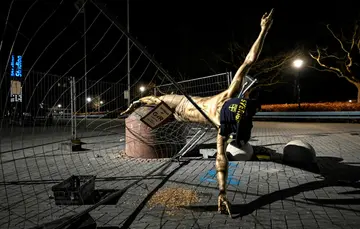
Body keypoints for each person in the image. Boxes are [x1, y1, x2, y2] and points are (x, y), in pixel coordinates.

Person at [121, 9, 274, 216]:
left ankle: (139, 103)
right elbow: (248, 61)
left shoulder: (223, 126)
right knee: (157, 100)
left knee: (158, 103)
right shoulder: (229, 95)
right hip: (179, 104)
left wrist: (222, 192)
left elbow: (221, 160)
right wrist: (263, 31)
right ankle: (138, 102)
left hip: (181, 112)